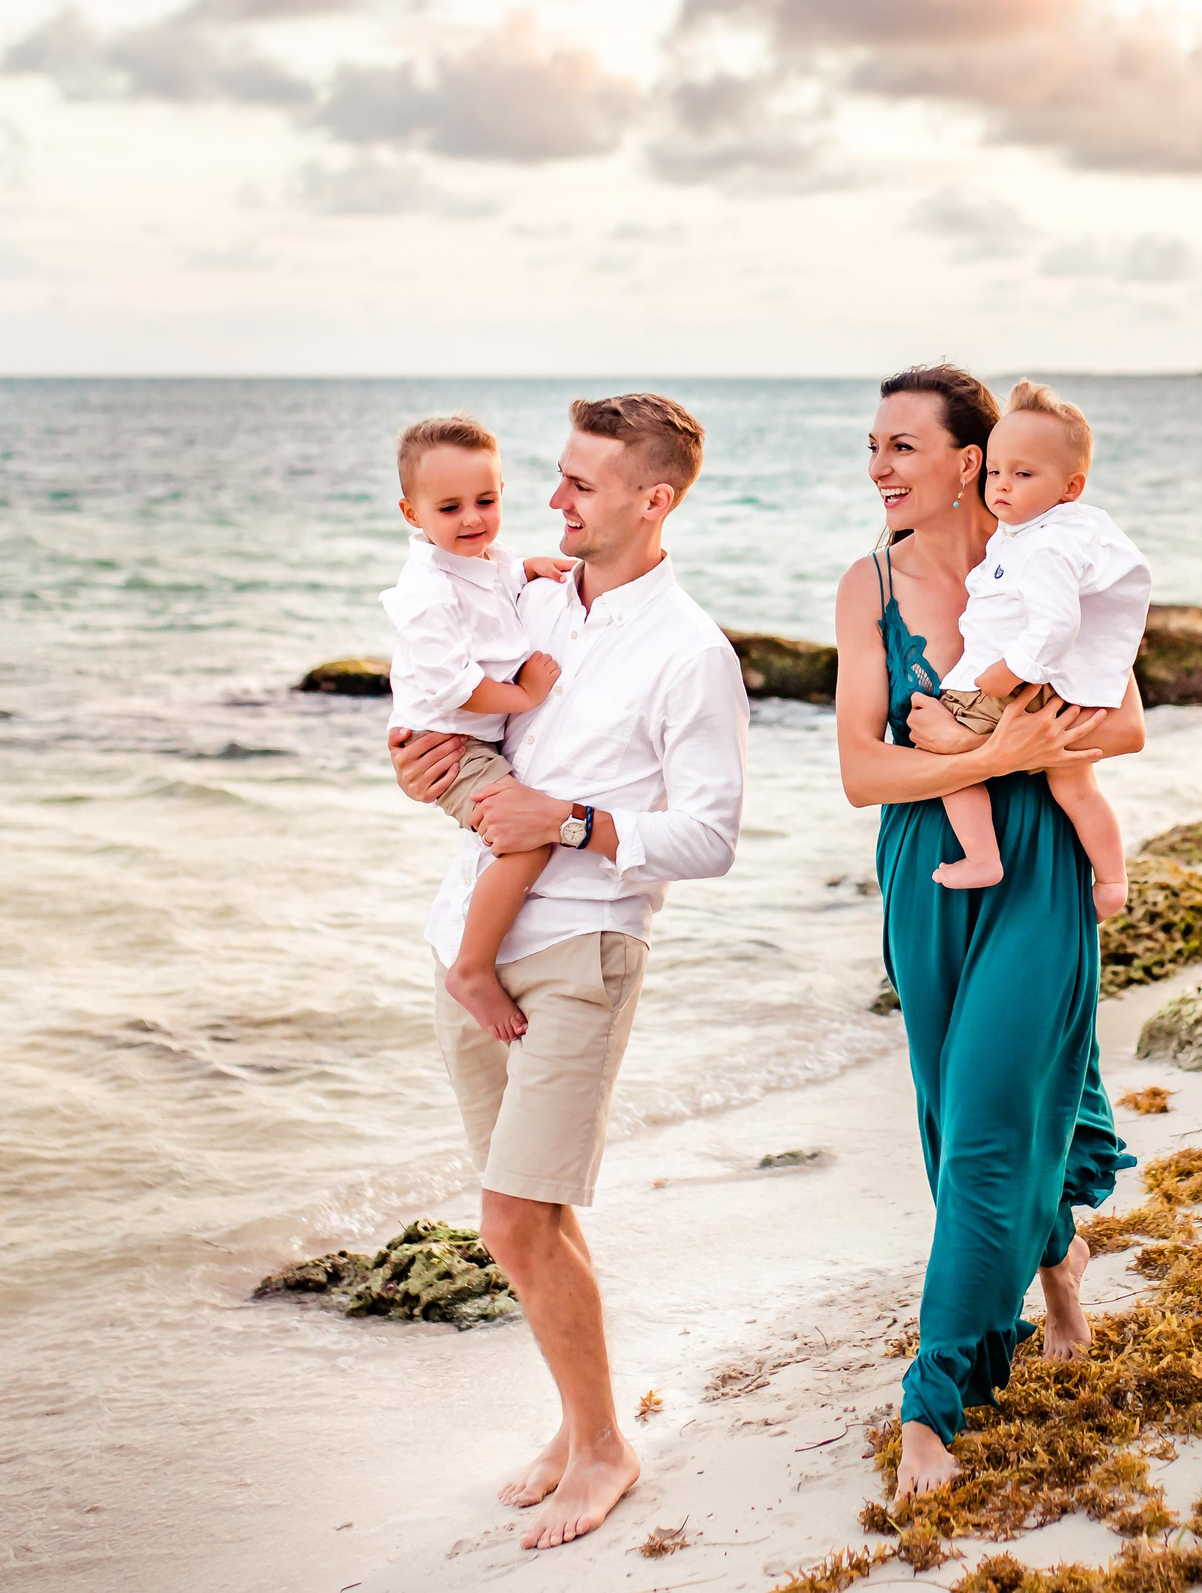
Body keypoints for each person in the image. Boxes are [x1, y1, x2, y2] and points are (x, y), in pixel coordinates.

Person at [387, 392, 748, 1551]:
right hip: (469, 940)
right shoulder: (529, 590)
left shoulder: (692, 655)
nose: (552, 499)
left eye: (580, 483)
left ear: (654, 499)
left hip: (579, 948)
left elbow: (710, 838)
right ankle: (579, 1423)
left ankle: (603, 1448)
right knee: (526, 1215)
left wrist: (577, 819)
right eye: (556, 474)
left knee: (510, 1216)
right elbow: (468, 742)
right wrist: (422, 772)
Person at [831, 363, 1143, 1499]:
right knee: (952, 1109)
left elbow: (1130, 728)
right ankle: (1056, 1255)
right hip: (926, 866)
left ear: (969, 462)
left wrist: (1008, 755)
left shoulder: (1050, 560)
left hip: (1040, 862)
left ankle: (935, 1398)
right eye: (873, 446)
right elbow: (862, 772)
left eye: (901, 446)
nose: (878, 467)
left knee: (987, 1123)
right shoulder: (864, 589)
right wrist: (986, 753)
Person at [909, 380, 1150, 920]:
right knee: (1077, 788)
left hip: (1015, 684)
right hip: (1056, 692)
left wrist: (1004, 673)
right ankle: (1111, 881)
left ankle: (981, 855)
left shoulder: (1044, 546)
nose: (1002, 487)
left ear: (1070, 488)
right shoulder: (1064, 533)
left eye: (1023, 474)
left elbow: (1057, 621)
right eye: (996, 472)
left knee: (940, 747)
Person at [378, 414, 578, 1041]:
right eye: (451, 508)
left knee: (522, 831)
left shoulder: (484, 559)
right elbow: (454, 684)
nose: (472, 520)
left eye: (486, 501)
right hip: (447, 742)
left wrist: (531, 569)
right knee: (527, 840)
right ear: (412, 514)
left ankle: (475, 958)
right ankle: (471, 969)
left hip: (469, 739)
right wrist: (526, 694)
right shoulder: (425, 592)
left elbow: (497, 583)